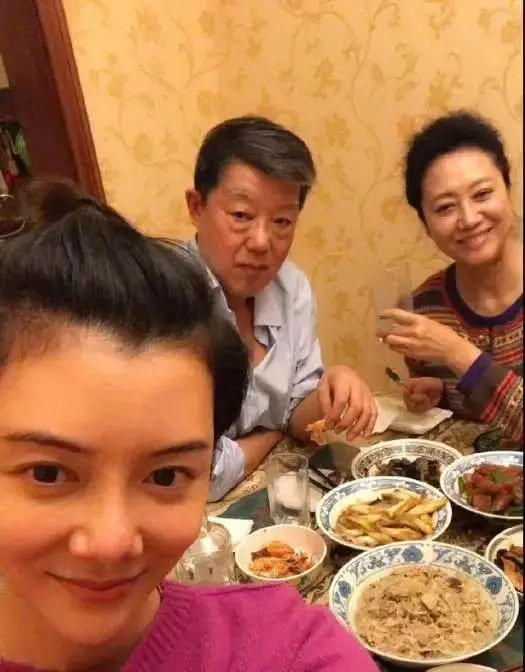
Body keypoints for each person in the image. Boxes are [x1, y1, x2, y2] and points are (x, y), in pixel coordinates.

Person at [0, 179, 378, 672]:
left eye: (165, 475)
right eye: (48, 473)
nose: (112, 542)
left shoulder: (286, 647)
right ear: (197, 207)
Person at [185, 116, 377, 500]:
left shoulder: (292, 288)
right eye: (241, 216)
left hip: (274, 497)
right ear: (196, 206)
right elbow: (201, 473)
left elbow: (299, 417)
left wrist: (330, 392)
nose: (261, 242)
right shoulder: (162, 302)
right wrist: (273, 433)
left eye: (282, 221)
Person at [380, 111, 523, 443]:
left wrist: (456, 352)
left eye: (482, 194)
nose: (469, 219)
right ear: (426, 225)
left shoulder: (439, 336)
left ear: (508, 190)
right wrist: (439, 394)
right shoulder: (426, 309)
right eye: (445, 207)